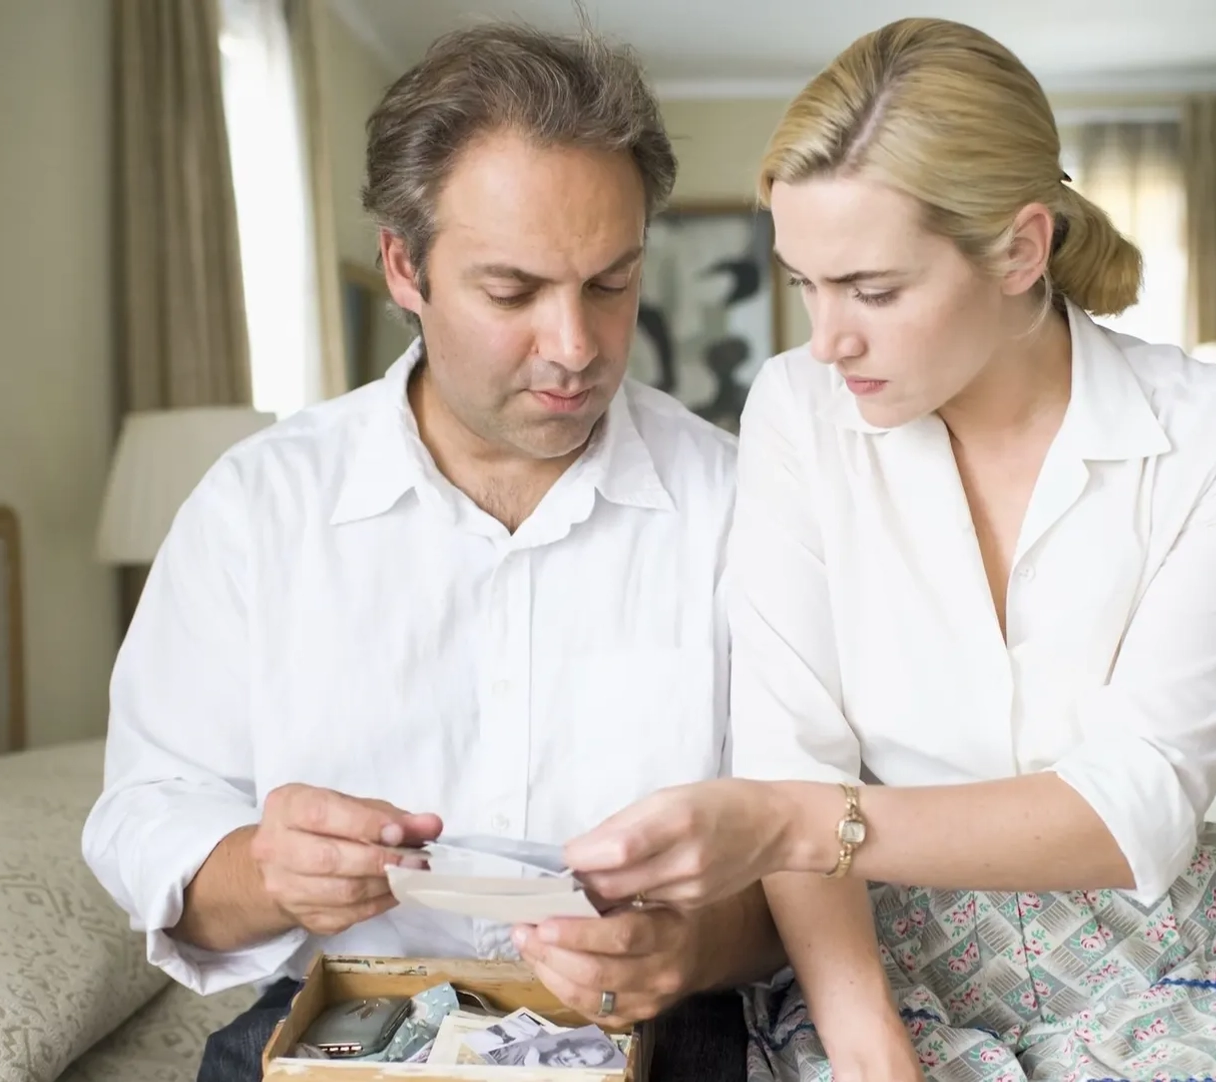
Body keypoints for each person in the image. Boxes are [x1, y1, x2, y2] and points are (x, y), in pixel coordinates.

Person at [562, 17, 1216, 1082]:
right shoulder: (799, 407)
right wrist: (871, 1045)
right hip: (874, 950)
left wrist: (787, 818)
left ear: (1022, 249)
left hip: (1147, 940)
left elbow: (1132, 809)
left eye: (874, 289)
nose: (828, 336)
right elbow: (795, 744)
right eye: (805, 284)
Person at [81, 22, 778, 1082]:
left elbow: (820, 851)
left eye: (611, 281)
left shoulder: (739, 505)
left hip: (660, 1020)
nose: (576, 346)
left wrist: (696, 943)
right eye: (513, 292)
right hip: (347, 1013)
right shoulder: (258, 507)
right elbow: (144, 815)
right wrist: (272, 872)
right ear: (404, 266)